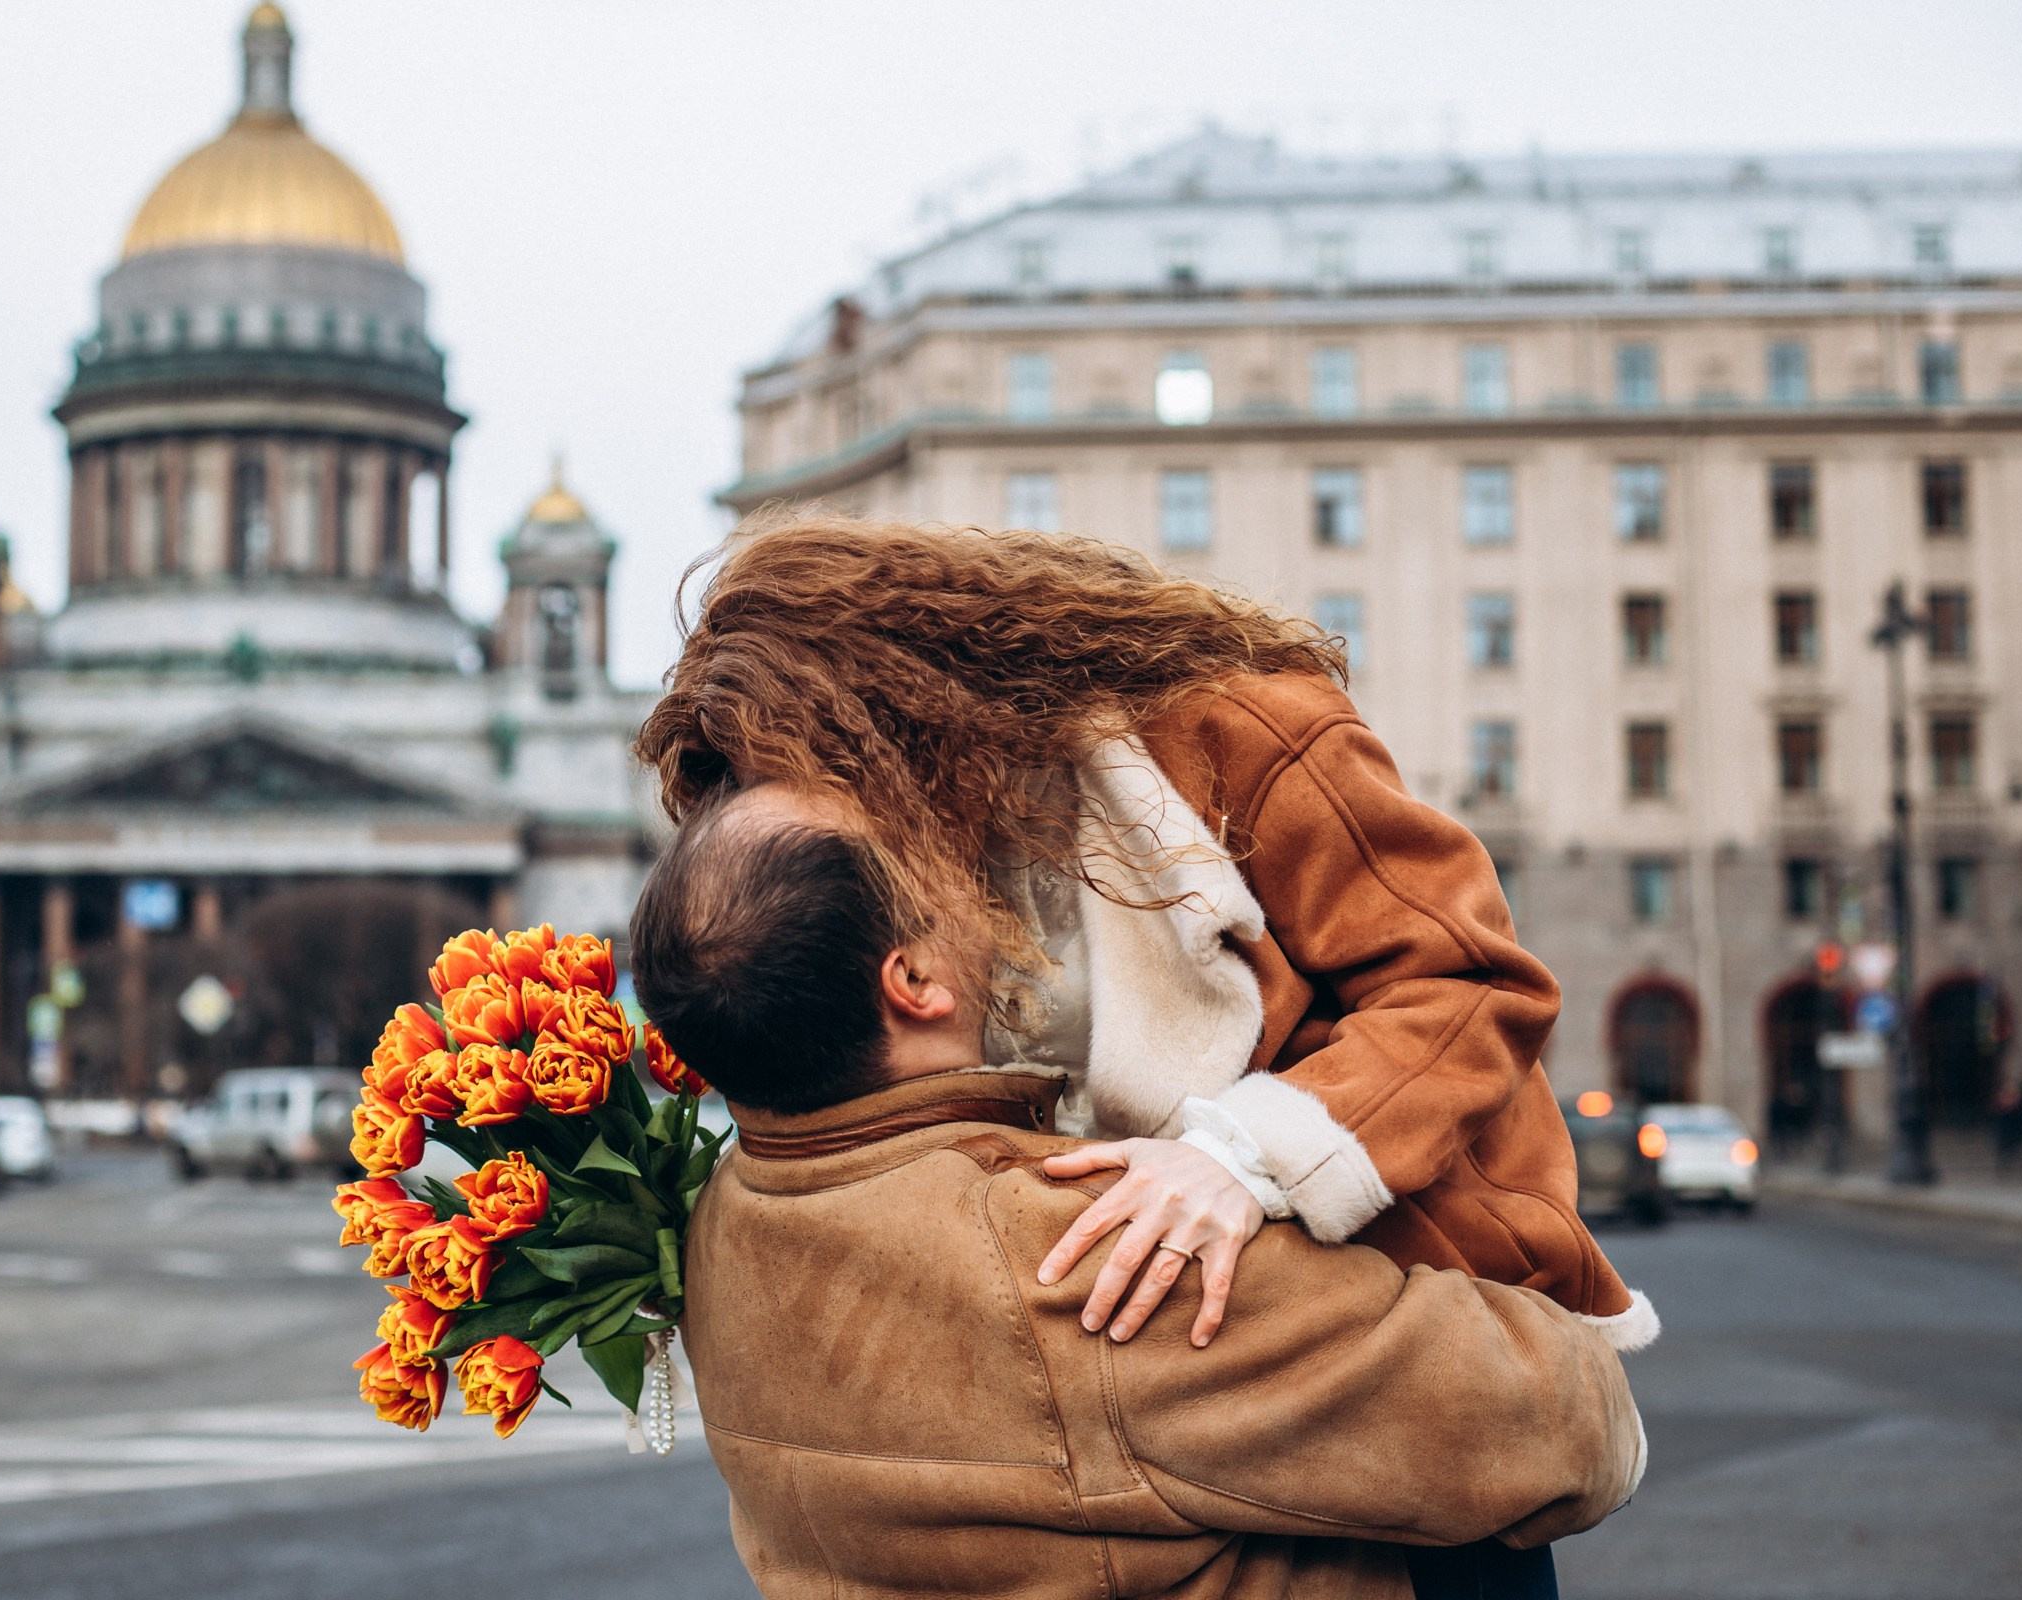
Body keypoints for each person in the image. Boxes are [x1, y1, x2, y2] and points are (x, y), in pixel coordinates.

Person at [633, 515, 1656, 1355]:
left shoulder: (1236, 729)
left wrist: (1249, 1157)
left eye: (793, 784)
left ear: (879, 721)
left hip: (1427, 1306)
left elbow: (1472, 984)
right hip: (1193, 1363)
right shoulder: (919, 871)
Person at [635, 784, 1647, 1600]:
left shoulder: (719, 1231)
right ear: (915, 983)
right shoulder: (1079, 1255)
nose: (968, 859)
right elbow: (1570, 1429)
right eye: (922, 852)